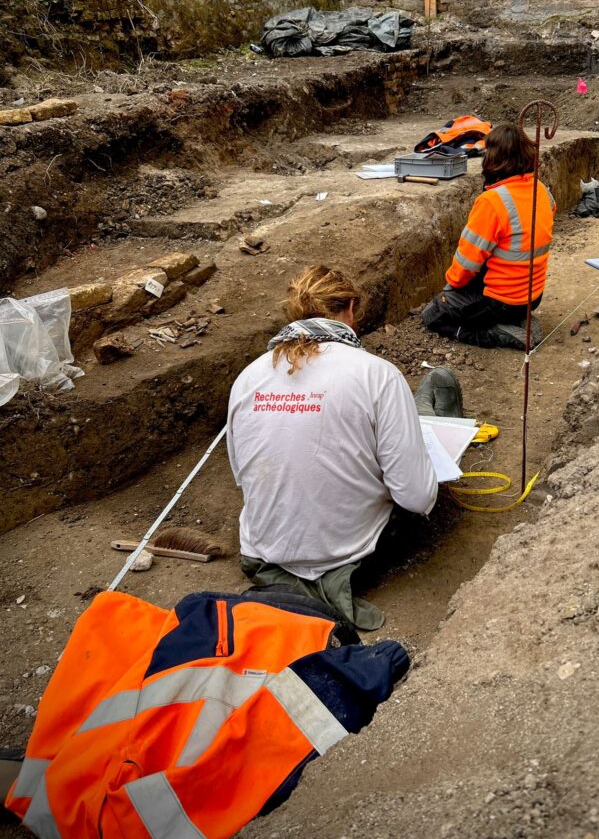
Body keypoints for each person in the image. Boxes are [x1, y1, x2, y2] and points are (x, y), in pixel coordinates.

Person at [227, 266, 462, 630]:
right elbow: (416, 498)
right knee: (422, 450)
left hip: (264, 553)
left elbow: (244, 478)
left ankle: (427, 404)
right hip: (349, 556)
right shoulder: (376, 374)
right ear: (350, 308)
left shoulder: (248, 377)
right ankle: (434, 406)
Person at [422, 123, 556, 347]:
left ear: (493, 158)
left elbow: (466, 264)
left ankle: (495, 333)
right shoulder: (542, 191)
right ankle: (516, 320)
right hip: (533, 296)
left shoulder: (492, 202)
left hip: (502, 301)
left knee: (434, 314)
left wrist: (450, 293)